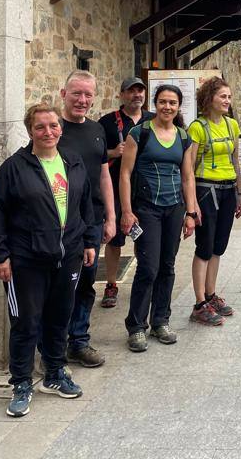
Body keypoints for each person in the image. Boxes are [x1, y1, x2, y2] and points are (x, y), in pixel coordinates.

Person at [0, 103, 98, 418]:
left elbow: (86, 206)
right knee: (26, 323)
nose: (48, 132)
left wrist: (89, 241)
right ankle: (21, 382)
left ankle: (54, 373)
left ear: (60, 128)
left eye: (53, 126)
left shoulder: (73, 163)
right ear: (30, 130)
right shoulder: (15, 168)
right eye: (40, 127)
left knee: (59, 317)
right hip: (26, 260)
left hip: (68, 255)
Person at [119, 84, 198, 351]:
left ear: (178, 107)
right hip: (146, 208)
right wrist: (127, 211)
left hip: (174, 208)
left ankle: (161, 320)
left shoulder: (183, 136)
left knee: (167, 266)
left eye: (173, 103)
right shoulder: (139, 133)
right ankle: (137, 326)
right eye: (163, 102)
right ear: (155, 104)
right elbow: (125, 174)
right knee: (148, 267)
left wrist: (191, 212)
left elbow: (187, 177)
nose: (167, 107)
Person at [58, 70, 115, 368]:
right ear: (62, 93)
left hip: (92, 219)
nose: (82, 100)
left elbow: (104, 173)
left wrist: (111, 216)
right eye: (76, 93)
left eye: (87, 95)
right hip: (61, 222)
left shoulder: (96, 130)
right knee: (59, 284)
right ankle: (54, 344)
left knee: (87, 282)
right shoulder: (54, 131)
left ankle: (79, 341)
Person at [186, 77, 241, 326]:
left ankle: (211, 295)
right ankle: (199, 303)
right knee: (204, 246)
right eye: (223, 96)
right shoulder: (197, 127)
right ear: (209, 98)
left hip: (228, 189)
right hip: (205, 189)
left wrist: (240, 193)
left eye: (229, 97)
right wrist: (192, 204)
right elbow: (188, 167)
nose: (227, 101)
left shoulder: (232, 126)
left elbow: (235, 160)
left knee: (218, 246)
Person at [97, 77, 153, 309]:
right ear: (121, 95)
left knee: (146, 239)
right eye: (131, 91)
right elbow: (96, 154)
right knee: (114, 239)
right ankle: (111, 283)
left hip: (146, 189)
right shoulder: (108, 122)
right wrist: (113, 152)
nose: (136, 95)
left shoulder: (153, 120)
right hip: (117, 189)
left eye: (140, 91)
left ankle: (145, 281)